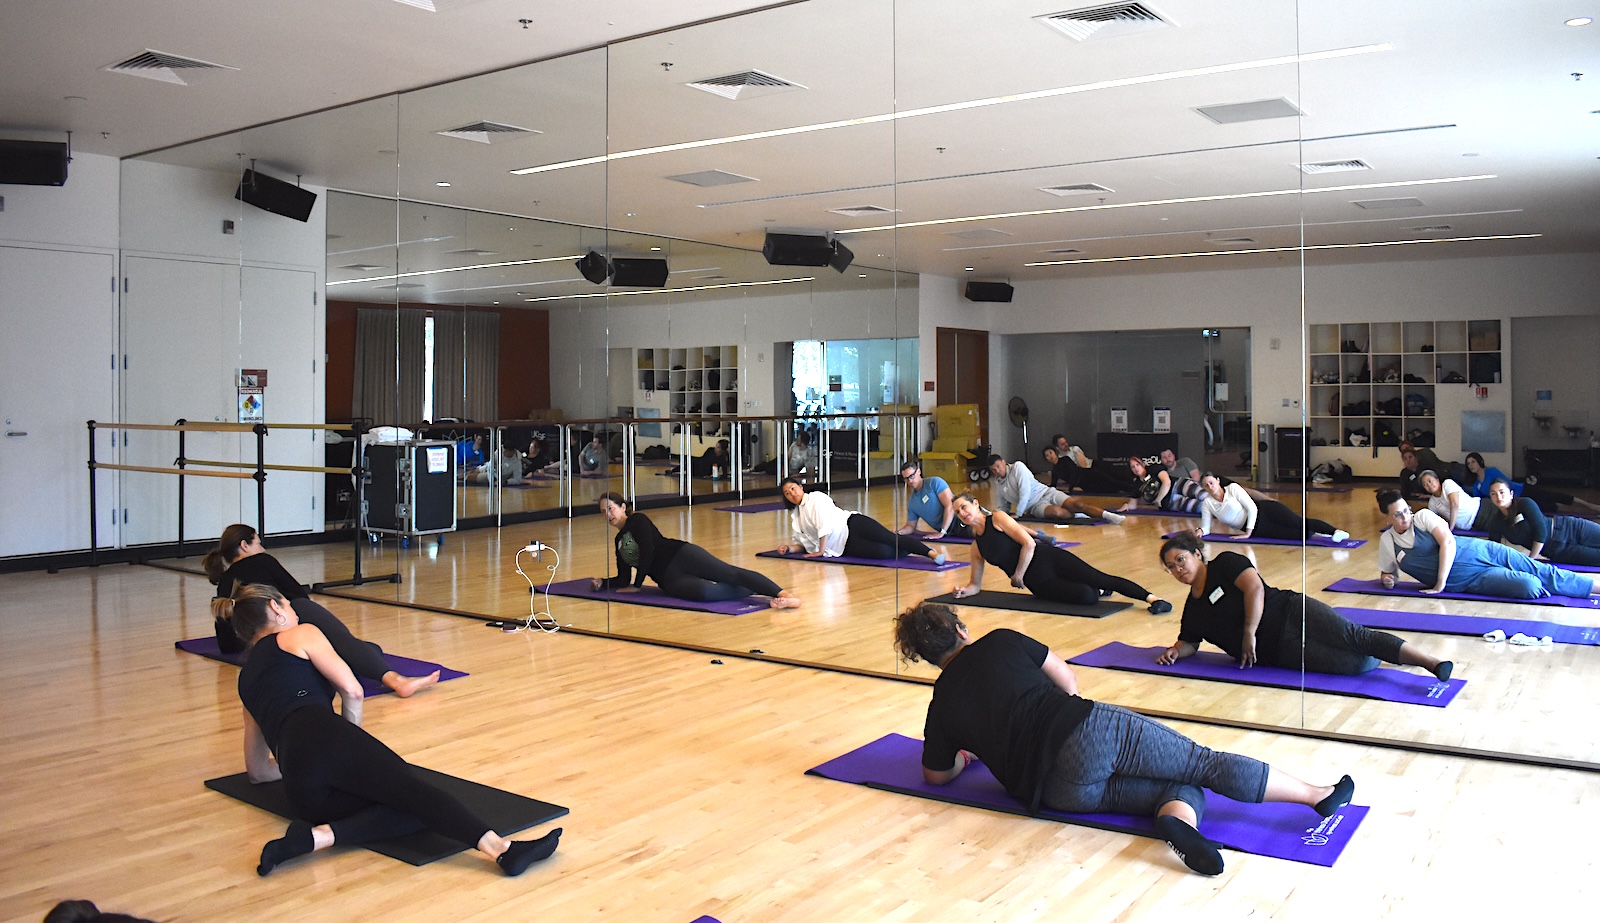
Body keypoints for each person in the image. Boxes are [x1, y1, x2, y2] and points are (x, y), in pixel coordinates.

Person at [894, 602, 1356, 877]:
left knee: (1177, 791)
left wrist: (966, 758)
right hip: (1085, 732)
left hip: (1054, 792)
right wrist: (1078, 721)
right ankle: (1316, 796)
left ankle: (1181, 826)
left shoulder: (942, 701)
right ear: (960, 629)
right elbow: (1065, 678)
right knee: (1200, 765)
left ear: (926, 659)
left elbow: (935, 774)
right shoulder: (998, 641)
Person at [221, 584, 561, 877]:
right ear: (275, 608)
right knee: (417, 793)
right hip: (322, 732)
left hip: (301, 789)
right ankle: (503, 850)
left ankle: (314, 838)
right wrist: (348, 746)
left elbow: (258, 773)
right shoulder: (300, 634)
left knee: (412, 811)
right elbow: (352, 691)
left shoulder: (245, 679)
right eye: (289, 605)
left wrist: (296, 760)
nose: (294, 611)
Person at [1158, 531, 1451, 678]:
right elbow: (1189, 642)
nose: (1178, 569)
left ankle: (1430, 662)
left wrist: (1249, 632)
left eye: (1180, 560)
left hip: (1290, 611)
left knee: (1355, 637)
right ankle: (1384, 654)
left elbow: (1255, 588)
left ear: (1197, 554)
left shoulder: (1225, 562)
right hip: (1279, 651)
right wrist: (1174, 652)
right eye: (1171, 567)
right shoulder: (1192, 608)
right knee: (1356, 664)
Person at [204, 525, 439, 696]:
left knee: (366, 649)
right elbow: (298, 596)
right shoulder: (263, 561)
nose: (262, 548)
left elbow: (226, 642)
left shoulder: (224, 582)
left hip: (253, 641)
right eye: (258, 543)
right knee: (344, 639)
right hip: (282, 626)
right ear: (245, 546)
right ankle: (395, 679)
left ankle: (367, 658)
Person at [949, 494, 1170, 612]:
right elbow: (975, 585)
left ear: (976, 504)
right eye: (958, 511)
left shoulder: (997, 518)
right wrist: (963, 591)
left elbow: (1029, 544)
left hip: (1048, 558)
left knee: (1099, 577)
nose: (962, 513)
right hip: (1039, 582)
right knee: (1088, 596)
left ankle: (1153, 599)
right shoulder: (977, 547)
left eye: (964, 507)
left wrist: (1017, 575)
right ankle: (1098, 591)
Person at [1374, 488, 1600, 599]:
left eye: (1406, 510)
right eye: (1398, 515)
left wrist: (1439, 584)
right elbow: (1388, 572)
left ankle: (1595, 588)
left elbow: (1448, 543)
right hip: (1469, 579)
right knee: (1529, 587)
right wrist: (1388, 579)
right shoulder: (1388, 542)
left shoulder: (1423, 517)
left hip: (1481, 551)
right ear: (1387, 518)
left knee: (1541, 571)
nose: (1405, 517)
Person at [591, 493, 800, 607]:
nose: (608, 514)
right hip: (667, 578)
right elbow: (622, 578)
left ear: (623, 507)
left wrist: (637, 585)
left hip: (680, 555)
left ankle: (785, 594)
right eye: (603, 512)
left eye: (610, 508)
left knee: (728, 573)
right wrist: (603, 583)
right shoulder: (619, 541)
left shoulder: (638, 520)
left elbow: (648, 551)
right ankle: (750, 588)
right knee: (705, 592)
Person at [778, 476, 946, 565]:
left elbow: (823, 526)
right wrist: (789, 549)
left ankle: (930, 553)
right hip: (842, 546)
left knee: (888, 538)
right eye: (787, 493)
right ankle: (910, 547)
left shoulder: (816, 498)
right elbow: (804, 543)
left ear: (800, 487)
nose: (791, 493)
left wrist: (820, 552)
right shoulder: (797, 516)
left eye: (793, 488)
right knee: (884, 553)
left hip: (852, 524)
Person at [1194, 473, 1349, 543]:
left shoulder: (1233, 488)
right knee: (1298, 536)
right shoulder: (1208, 503)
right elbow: (1206, 526)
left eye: (1212, 482)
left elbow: (1252, 508)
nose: (1210, 486)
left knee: (1298, 522)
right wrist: (1201, 531)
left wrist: (1247, 534)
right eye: (1206, 485)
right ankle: (1319, 533)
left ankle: (1335, 531)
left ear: (1218, 481)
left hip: (1264, 511)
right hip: (1257, 529)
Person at [1484, 478, 1600, 566]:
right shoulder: (1497, 523)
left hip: (1569, 528)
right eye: (1493, 494)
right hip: (1558, 551)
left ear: (1511, 493)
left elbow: (1541, 532)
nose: (1498, 497)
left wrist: (1531, 560)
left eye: (1502, 492)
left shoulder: (1525, 503)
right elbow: (1493, 548)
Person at [988, 455, 1126, 524]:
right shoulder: (998, 484)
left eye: (998, 467)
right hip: (1034, 507)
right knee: (1058, 513)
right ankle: (1078, 515)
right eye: (994, 470)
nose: (997, 471)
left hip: (1046, 492)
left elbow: (1025, 491)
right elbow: (1004, 506)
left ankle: (1109, 516)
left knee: (1078, 504)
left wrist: (1018, 513)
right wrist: (997, 515)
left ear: (1004, 462)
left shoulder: (1018, 467)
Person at [1462, 452, 1600, 515]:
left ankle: (1589, 505)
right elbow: (1479, 500)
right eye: (1468, 463)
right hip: (1517, 502)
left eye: (1473, 461)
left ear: (1479, 461)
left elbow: (1506, 483)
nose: (1471, 465)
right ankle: (1574, 511)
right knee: (1547, 507)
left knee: (1554, 495)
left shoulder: (1491, 471)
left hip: (1522, 490)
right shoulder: (1476, 485)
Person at [898, 458, 971, 539]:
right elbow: (911, 526)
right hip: (952, 531)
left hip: (962, 517)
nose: (910, 481)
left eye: (912, 476)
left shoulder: (934, 483)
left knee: (982, 531)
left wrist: (942, 532)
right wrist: (900, 532)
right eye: (906, 479)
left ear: (918, 471)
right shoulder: (912, 502)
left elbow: (950, 505)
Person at [1042, 443, 1136, 497]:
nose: (1050, 456)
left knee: (1113, 482)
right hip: (1086, 485)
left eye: (1051, 453)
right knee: (1110, 490)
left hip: (1090, 475)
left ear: (1055, 452)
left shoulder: (1065, 459)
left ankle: (1135, 490)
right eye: (1047, 455)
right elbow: (1053, 485)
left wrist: (1071, 488)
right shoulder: (1055, 470)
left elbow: (1074, 473)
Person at [1419, 470, 1493, 532]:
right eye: (1425, 484)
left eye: (1430, 481)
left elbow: (1454, 504)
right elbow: (1433, 520)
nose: (1429, 485)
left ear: (1437, 479)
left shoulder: (1447, 484)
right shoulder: (1432, 503)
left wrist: (1451, 528)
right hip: (1474, 524)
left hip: (1483, 509)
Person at [1123, 456, 1203, 513]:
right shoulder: (1137, 484)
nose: (1136, 468)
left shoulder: (1153, 468)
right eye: (1133, 467)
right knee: (1200, 507)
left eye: (1137, 465)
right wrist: (1127, 505)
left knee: (1202, 495)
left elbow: (1167, 482)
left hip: (1177, 485)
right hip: (1170, 502)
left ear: (1143, 464)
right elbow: (1133, 504)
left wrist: (1158, 499)